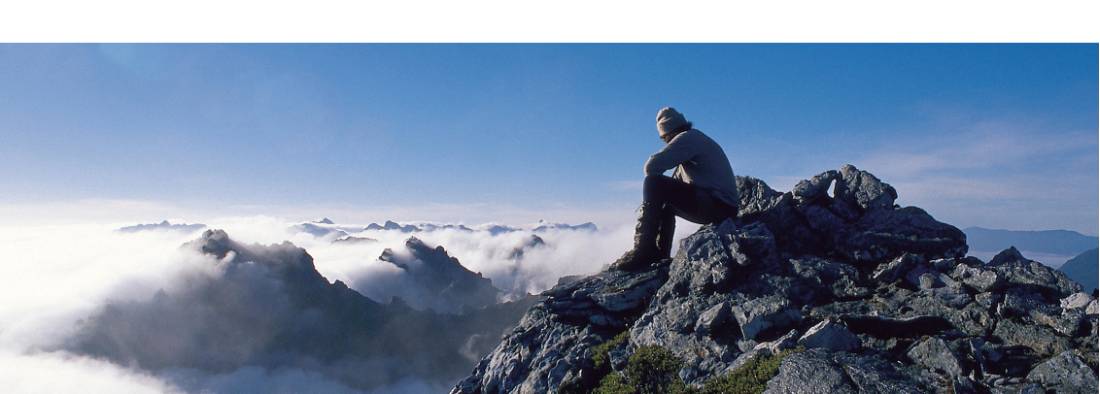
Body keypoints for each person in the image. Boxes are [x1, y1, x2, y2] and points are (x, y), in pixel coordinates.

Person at [612, 107, 740, 271]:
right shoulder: (694, 141)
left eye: (665, 139)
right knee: (664, 202)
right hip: (722, 206)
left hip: (719, 206)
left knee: (653, 182)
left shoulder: (687, 139)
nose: (666, 143)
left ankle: (644, 250)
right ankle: (659, 254)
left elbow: (651, 168)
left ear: (668, 133)